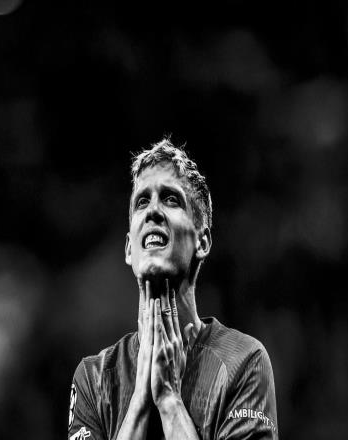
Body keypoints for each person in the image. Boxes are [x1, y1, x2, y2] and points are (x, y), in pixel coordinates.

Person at [68, 138, 278, 439]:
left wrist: (168, 399)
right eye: (142, 201)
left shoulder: (244, 361)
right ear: (129, 248)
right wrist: (140, 400)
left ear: (202, 242)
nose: (153, 211)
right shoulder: (93, 377)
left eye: (170, 199)